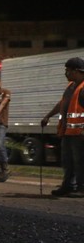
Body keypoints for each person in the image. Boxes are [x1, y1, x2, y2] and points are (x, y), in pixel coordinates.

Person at [41, 56, 84, 197]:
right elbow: (63, 104)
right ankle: (68, 186)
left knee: (80, 162)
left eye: (68, 71)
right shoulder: (71, 87)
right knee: (67, 161)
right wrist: (48, 115)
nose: (66, 73)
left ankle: (81, 188)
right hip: (68, 132)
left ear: (77, 71)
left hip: (80, 133)